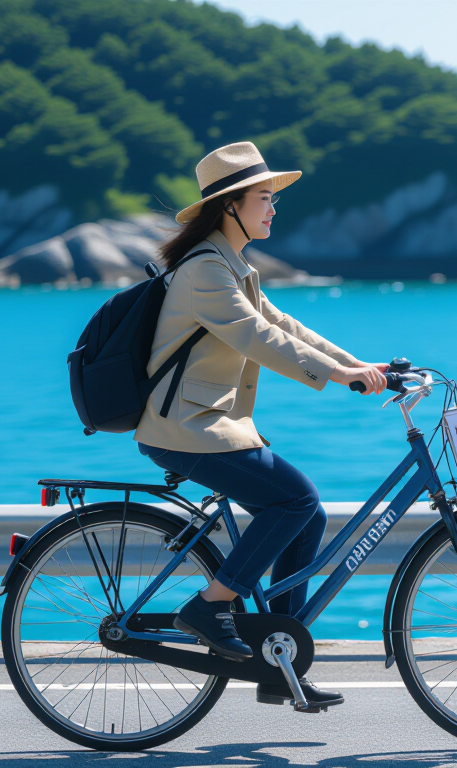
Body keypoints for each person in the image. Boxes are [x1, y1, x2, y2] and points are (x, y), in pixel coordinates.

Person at [135, 142, 388, 711]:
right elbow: (259, 338)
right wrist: (339, 378)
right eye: (264, 199)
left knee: (307, 514)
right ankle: (209, 605)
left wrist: (362, 367)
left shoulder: (232, 265)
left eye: (273, 199)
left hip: (211, 423)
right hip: (185, 429)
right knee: (295, 501)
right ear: (230, 206)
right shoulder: (205, 271)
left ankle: (280, 662)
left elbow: (288, 326)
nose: (274, 209)